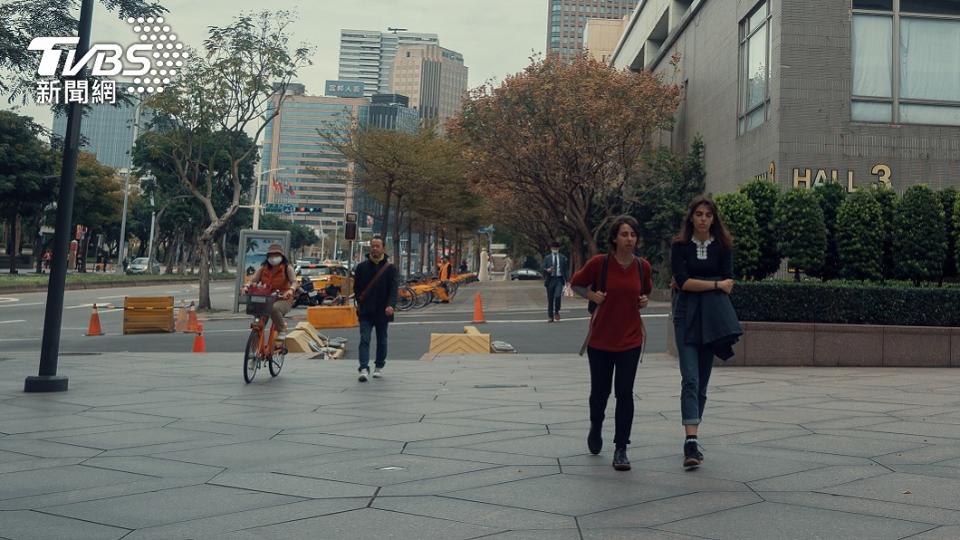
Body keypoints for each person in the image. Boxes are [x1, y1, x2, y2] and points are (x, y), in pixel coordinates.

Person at [570, 216, 652, 471]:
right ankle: (596, 426)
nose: (629, 239)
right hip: (601, 341)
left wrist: (644, 301)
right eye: (624, 234)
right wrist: (592, 294)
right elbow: (576, 283)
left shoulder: (642, 266)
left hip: (630, 339)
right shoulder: (600, 264)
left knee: (625, 393)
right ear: (614, 238)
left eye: (633, 235)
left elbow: (645, 292)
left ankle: (621, 448)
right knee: (600, 393)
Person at [671, 196, 742, 469]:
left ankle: (693, 429)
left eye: (708, 215)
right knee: (689, 377)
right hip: (685, 314)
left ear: (714, 219)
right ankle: (691, 441)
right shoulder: (680, 246)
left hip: (711, 317)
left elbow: (730, 281)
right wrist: (714, 285)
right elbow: (683, 282)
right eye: (698, 214)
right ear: (691, 217)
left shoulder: (723, 246)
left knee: (701, 381)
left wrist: (697, 283)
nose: (703, 219)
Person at [353, 236, 398, 382]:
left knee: (382, 340)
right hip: (366, 310)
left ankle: (379, 366)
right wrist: (360, 301)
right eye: (372, 246)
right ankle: (364, 368)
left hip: (382, 311)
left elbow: (393, 289)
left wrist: (391, 305)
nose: (374, 248)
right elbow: (357, 288)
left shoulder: (390, 268)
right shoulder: (361, 267)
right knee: (364, 339)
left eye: (377, 246)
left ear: (383, 248)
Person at [243, 244, 297, 340]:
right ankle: (256, 338)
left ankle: (281, 330)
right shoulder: (263, 268)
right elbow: (253, 280)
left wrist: (291, 290)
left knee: (274, 308)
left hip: (283, 298)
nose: (273, 258)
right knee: (257, 309)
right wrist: (246, 286)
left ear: (281, 256)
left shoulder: (287, 268)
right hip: (266, 297)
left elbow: (294, 282)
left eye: (276, 255)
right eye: (271, 256)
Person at [542, 241, 569, 322]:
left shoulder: (562, 258)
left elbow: (565, 270)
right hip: (550, 280)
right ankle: (550, 316)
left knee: (557, 296)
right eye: (553, 248)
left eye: (556, 248)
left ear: (558, 249)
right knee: (550, 299)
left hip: (559, 279)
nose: (555, 249)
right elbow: (543, 268)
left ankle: (556, 311)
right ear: (551, 249)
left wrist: (567, 280)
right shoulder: (547, 258)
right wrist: (547, 270)